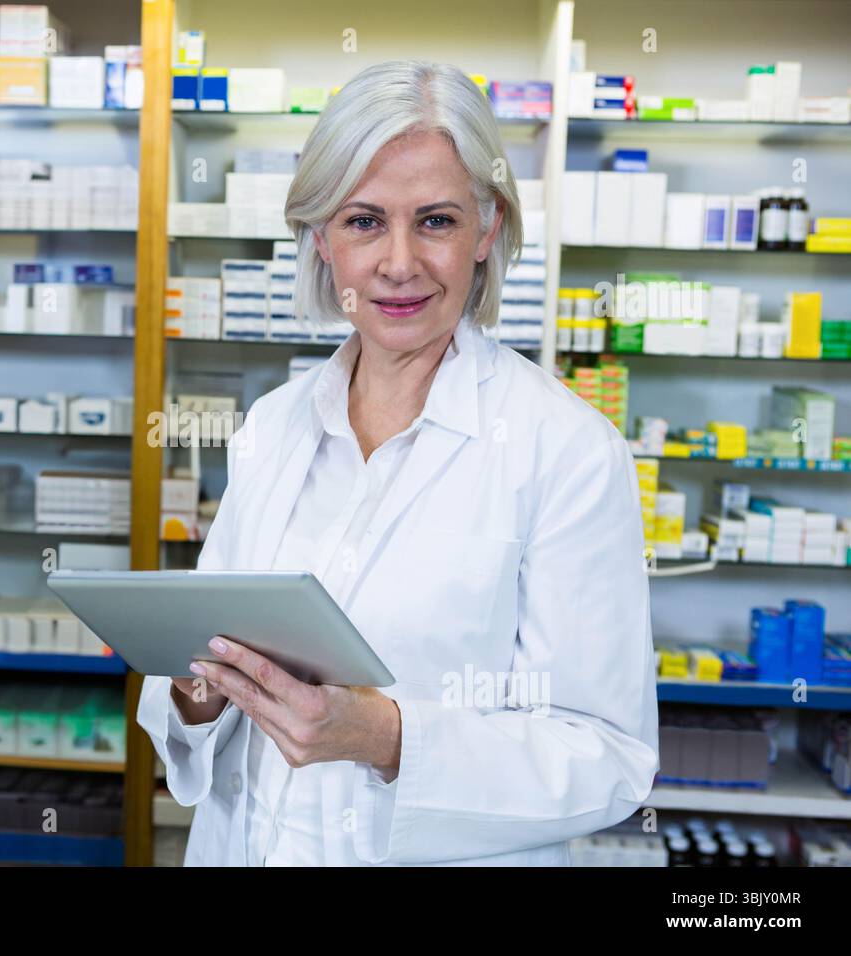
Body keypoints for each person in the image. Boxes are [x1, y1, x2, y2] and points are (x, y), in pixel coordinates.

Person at [136, 61, 658, 866]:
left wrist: (387, 738)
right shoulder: (275, 427)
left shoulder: (567, 451)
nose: (400, 262)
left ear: (487, 231)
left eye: (438, 221)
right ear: (322, 240)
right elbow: (202, 672)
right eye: (364, 221)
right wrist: (198, 691)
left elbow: (608, 759)